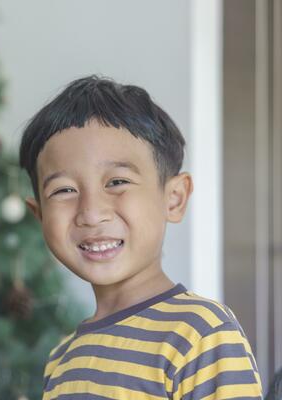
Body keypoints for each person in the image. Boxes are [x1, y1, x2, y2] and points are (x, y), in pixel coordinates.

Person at [19, 75, 262, 399]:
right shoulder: (61, 359)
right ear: (40, 215)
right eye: (64, 190)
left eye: (117, 182)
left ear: (173, 198)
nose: (91, 213)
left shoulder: (199, 333)